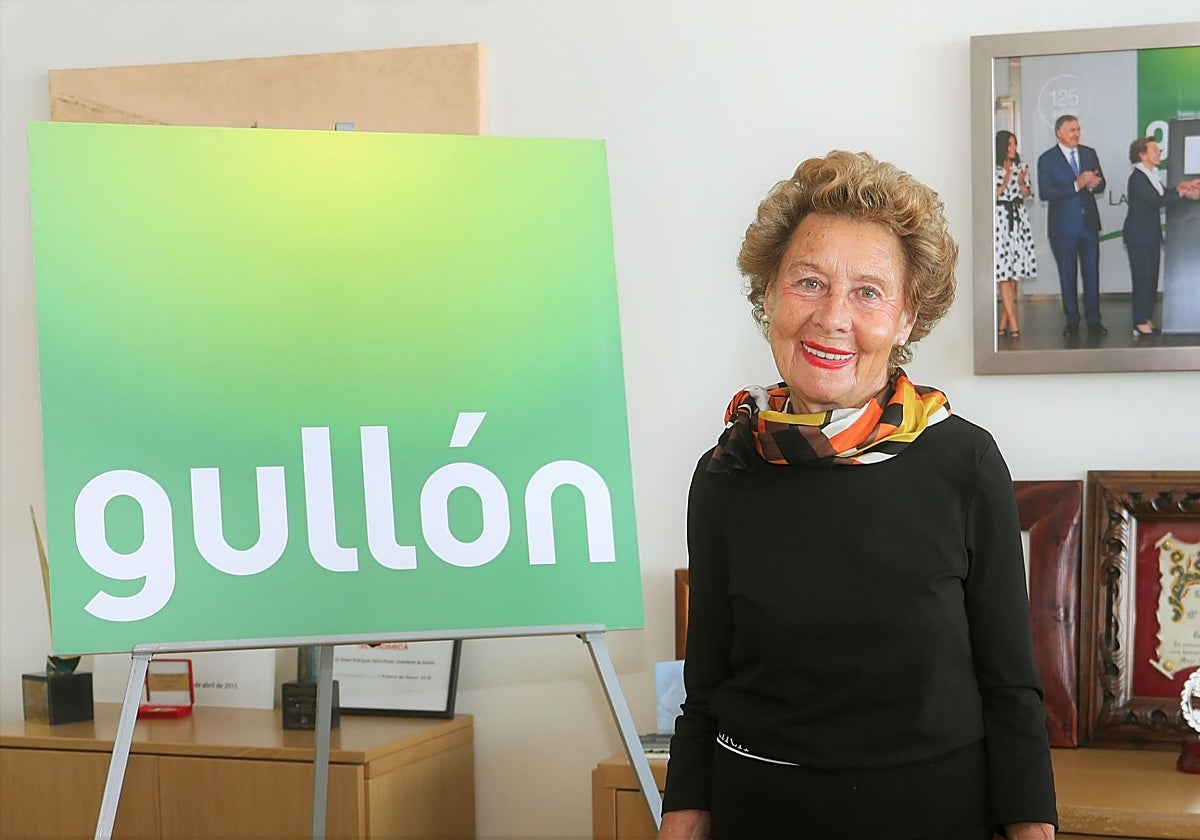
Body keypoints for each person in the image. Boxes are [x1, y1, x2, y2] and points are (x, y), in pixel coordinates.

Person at [658, 151, 1057, 840]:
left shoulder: (964, 461)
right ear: (770, 298)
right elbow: (706, 694)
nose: (833, 317)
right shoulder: (728, 468)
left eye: (869, 291)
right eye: (809, 282)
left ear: (906, 318)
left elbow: (1011, 690)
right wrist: (681, 822)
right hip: (759, 817)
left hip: (934, 819)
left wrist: (1032, 829)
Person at [1121, 136, 1200, 338]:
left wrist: (1183, 188)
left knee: (1151, 279)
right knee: (1142, 279)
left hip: (1150, 236)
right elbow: (1157, 200)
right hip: (1139, 236)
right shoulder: (1138, 178)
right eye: (1154, 150)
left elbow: (1166, 194)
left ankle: (1145, 319)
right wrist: (1181, 192)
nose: (1159, 153)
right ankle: (1139, 322)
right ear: (1142, 155)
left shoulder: (1152, 174)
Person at [1037, 114, 1107, 338]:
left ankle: (1094, 321)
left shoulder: (1089, 153)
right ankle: (1073, 321)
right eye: (1072, 130)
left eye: (1078, 129)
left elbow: (1101, 183)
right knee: (1067, 276)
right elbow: (1046, 192)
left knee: (1092, 274)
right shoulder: (1047, 159)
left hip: (1088, 225)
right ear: (1059, 133)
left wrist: (1095, 184)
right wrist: (1077, 184)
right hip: (1062, 229)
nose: (1077, 134)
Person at [994, 130, 1036, 339]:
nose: (1013, 148)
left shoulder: (1022, 168)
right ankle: (1013, 321)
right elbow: (990, 195)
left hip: (1018, 221)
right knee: (1003, 274)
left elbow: (1029, 196)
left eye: (1015, 144)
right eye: (1009, 144)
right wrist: (1004, 183)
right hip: (1001, 222)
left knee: (1015, 274)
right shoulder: (993, 169)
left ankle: (1002, 324)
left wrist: (1020, 182)